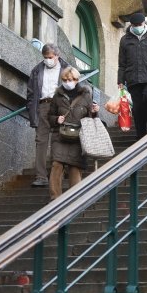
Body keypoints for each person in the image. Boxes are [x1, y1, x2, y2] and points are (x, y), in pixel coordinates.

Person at [48, 66, 99, 201]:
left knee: (75, 167)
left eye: (70, 79)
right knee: (56, 164)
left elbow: (90, 118)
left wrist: (94, 112)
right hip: (60, 135)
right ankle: (55, 199)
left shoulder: (86, 95)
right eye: (64, 79)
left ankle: (74, 200)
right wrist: (56, 119)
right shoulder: (57, 96)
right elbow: (50, 116)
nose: (67, 82)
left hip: (78, 136)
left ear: (76, 80)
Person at [26, 43, 69, 187]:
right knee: (41, 140)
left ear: (57, 55)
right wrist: (32, 109)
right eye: (45, 57)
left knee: (60, 138)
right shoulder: (37, 70)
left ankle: (58, 175)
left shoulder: (67, 68)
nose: (48, 60)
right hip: (43, 105)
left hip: (60, 105)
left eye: (50, 57)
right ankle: (41, 176)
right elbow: (31, 93)